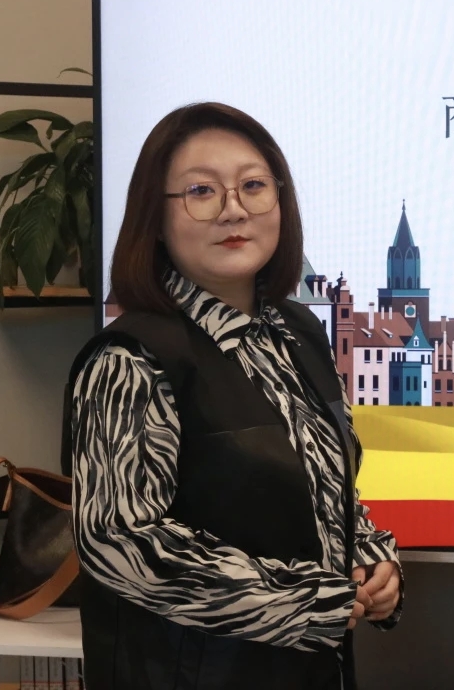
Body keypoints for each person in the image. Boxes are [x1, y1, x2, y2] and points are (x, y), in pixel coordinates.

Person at [67, 102, 403, 690]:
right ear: (155, 218)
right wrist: (304, 603)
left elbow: (324, 489)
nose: (234, 210)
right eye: (201, 191)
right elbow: (120, 540)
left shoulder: (298, 332)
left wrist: (373, 559)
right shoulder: (131, 358)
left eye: (253, 186)